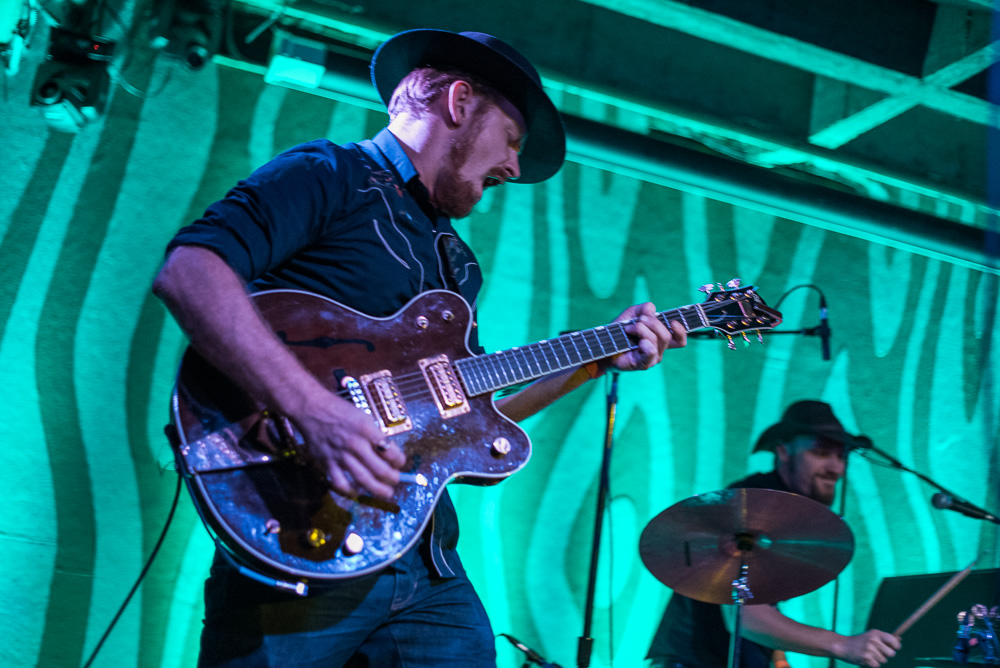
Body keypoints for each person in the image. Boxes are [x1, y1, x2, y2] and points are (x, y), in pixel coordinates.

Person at [153, 29, 686, 667]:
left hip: (427, 567)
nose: (515, 168)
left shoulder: (456, 264)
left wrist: (597, 357)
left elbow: (466, 421)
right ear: (459, 102)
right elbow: (190, 272)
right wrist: (316, 414)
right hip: (298, 541)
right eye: (512, 141)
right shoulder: (330, 174)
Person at [646, 400, 902, 668]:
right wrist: (843, 645)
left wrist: (779, 659)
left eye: (841, 456)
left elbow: (762, 601)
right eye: (822, 453)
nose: (836, 468)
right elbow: (744, 615)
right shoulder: (752, 503)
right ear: (783, 451)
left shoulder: (789, 512)